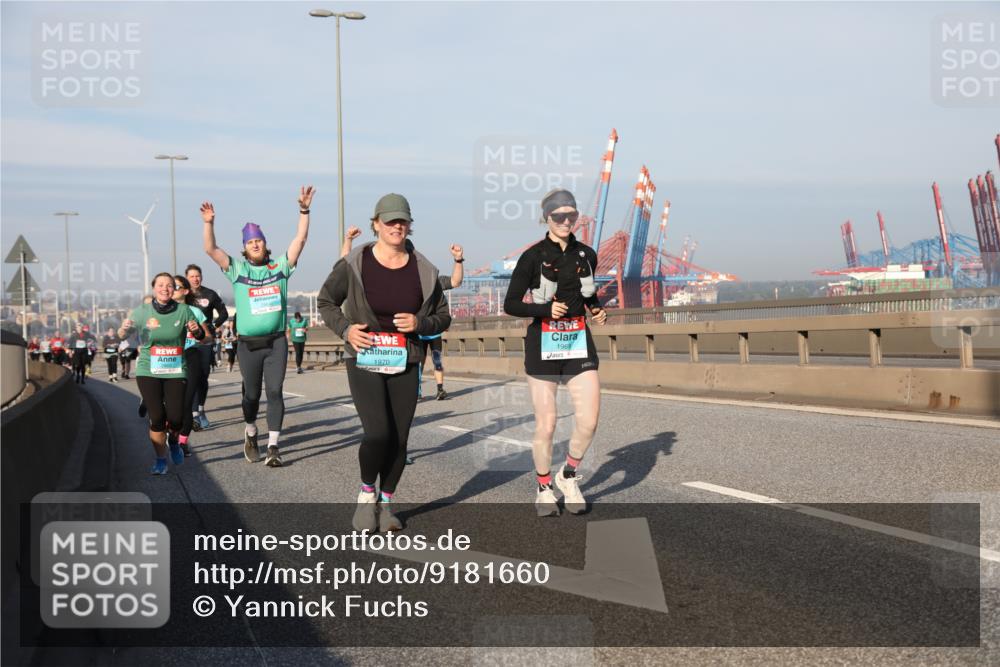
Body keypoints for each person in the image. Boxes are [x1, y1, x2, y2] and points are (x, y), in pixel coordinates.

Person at [318, 193, 451, 532]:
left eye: (402, 221)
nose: (396, 226)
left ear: (409, 225)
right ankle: (366, 497)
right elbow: (326, 302)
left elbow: (442, 316)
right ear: (375, 224)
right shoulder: (353, 263)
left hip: (405, 358)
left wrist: (421, 325)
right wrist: (347, 330)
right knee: (378, 432)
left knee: (401, 438)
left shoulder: (425, 269)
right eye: (390, 221)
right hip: (364, 356)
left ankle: (387, 502)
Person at [502, 189, 607, 517]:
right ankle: (544, 487)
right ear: (546, 218)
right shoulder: (532, 257)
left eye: (571, 216)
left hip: (578, 342)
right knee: (546, 424)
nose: (565, 221)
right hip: (543, 343)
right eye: (558, 216)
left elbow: (587, 294)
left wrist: (597, 310)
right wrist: (546, 310)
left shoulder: (587, 254)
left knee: (589, 421)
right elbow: (511, 303)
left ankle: (568, 475)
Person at [202, 186, 313, 467]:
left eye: (259, 241)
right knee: (251, 395)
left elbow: (300, 240)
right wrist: (209, 223)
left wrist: (303, 211)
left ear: (265, 244)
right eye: (250, 242)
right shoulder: (238, 270)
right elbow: (211, 249)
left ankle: (274, 445)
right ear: (245, 247)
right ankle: (251, 431)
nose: (255, 245)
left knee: (274, 391)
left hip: (275, 341)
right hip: (248, 344)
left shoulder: (279, 268)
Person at [119, 272, 207, 474]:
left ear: (174, 290)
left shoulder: (185, 311)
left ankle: (174, 441)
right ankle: (160, 459)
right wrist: (123, 329)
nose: (165, 288)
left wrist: (196, 330)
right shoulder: (141, 312)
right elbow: (123, 335)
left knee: (176, 418)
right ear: (154, 288)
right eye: (161, 285)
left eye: (169, 285)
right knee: (157, 417)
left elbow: (200, 335)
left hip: (176, 369)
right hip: (148, 368)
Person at [185, 264, 228, 429]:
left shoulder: (210, 294)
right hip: (187, 341)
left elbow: (223, 313)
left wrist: (213, 325)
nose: (195, 279)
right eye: (192, 276)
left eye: (198, 276)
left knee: (203, 376)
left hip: (205, 340)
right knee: (191, 377)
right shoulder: (183, 295)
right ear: (186, 278)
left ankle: (200, 409)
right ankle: (193, 413)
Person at [173, 275, 210, 457]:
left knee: (186, 404)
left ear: (186, 291)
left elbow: (209, 337)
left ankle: (182, 442)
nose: (172, 288)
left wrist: (198, 333)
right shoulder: (159, 312)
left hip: (190, 356)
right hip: (168, 359)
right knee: (170, 405)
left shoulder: (194, 312)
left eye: (176, 286)